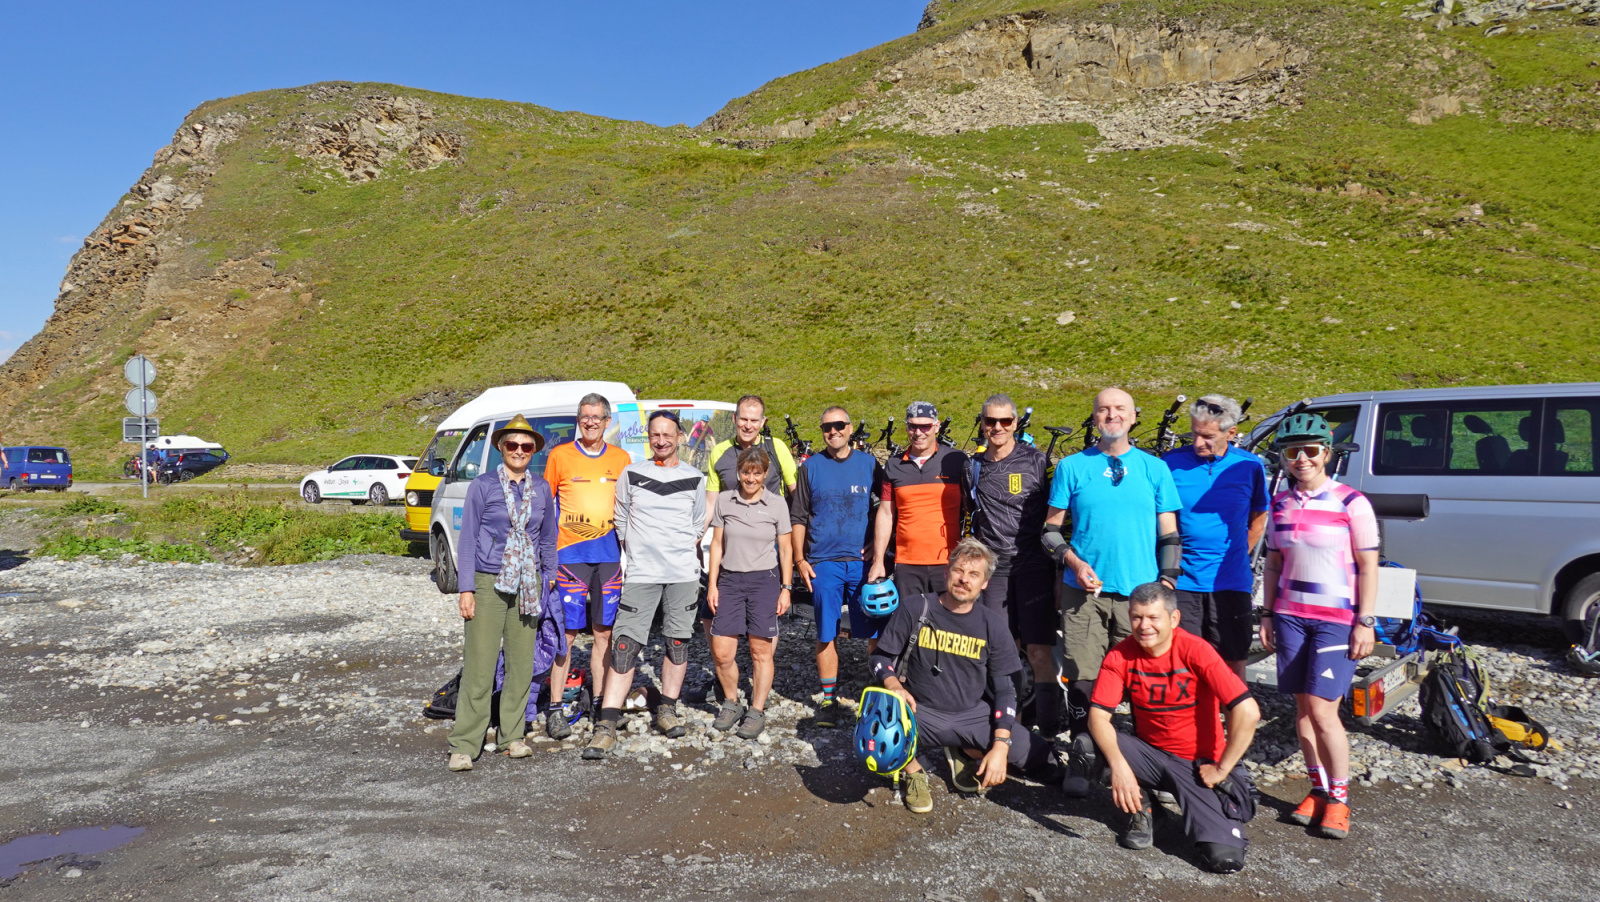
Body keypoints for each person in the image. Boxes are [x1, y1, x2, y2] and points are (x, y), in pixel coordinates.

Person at [1041, 387, 1181, 794]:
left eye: (1120, 408)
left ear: (1134, 417)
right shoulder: (1072, 467)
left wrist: (1166, 585)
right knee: (1083, 680)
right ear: (1094, 417)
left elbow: (1170, 535)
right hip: (1084, 594)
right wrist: (1074, 562)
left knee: (1142, 682)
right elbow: (1050, 532)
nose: (1111, 415)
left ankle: (1146, 763)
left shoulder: (1155, 469)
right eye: (1103, 409)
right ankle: (1084, 755)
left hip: (1140, 599)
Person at [1259, 412, 1379, 841]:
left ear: (1327, 453)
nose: (1302, 459)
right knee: (1303, 709)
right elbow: (1274, 564)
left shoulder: (1352, 502)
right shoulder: (1280, 504)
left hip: (1335, 622)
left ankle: (1340, 800)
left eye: (1311, 450)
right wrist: (1267, 614)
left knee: (1324, 710)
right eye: (1293, 452)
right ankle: (1319, 789)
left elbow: (1368, 566)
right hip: (1290, 616)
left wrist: (1365, 621)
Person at [872, 538, 1059, 813]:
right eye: (958, 570)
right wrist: (893, 686)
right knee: (875, 739)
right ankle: (914, 772)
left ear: (985, 583)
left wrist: (1001, 747)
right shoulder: (915, 607)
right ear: (947, 572)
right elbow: (880, 658)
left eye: (974, 574)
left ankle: (964, 751)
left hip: (972, 715)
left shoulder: (992, 624)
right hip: (919, 711)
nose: (964, 579)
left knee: (1044, 760)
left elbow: (1006, 690)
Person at [1086, 582, 1261, 874]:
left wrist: (1222, 768)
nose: (1144, 626)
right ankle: (1145, 809)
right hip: (1151, 756)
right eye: (1137, 617)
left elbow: (1248, 712)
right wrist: (1120, 766)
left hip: (1198, 765)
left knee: (1224, 860)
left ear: (1174, 618)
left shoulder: (1197, 650)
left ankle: (1223, 799)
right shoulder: (1120, 655)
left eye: (1153, 617)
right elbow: (1097, 717)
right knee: (1088, 747)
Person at [583, 411, 708, 759]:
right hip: (641, 573)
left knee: (677, 643)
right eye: (655, 435)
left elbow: (697, 524)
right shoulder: (632, 473)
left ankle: (666, 708)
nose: (661, 441)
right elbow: (621, 518)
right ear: (648, 438)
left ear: (680, 436)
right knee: (625, 646)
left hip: (682, 573)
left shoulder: (694, 477)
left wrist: (677, 549)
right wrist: (638, 550)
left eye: (668, 434)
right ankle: (607, 724)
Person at [448, 414, 559, 772]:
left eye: (526, 446)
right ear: (501, 447)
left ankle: (512, 736)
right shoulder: (482, 486)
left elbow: (548, 539)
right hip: (488, 580)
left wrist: (549, 578)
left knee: (521, 664)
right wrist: (466, 588)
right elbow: (467, 539)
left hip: (528, 583)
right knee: (479, 665)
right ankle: (466, 743)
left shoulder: (542, 489)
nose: (519, 450)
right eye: (512, 444)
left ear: (533, 450)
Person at [968, 393, 1059, 734]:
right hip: (996, 572)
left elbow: (1057, 517)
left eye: (1005, 421)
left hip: (1035, 567)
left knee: (1039, 653)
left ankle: (1048, 734)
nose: (998, 427)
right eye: (991, 421)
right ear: (982, 423)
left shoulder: (1037, 461)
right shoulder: (973, 466)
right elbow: (972, 517)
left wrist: (1059, 572)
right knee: (1003, 653)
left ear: (1016, 423)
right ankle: (1012, 731)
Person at [543, 392, 633, 738]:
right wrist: (546, 558)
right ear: (578, 421)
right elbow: (545, 507)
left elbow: (630, 508)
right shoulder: (560, 455)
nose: (590, 423)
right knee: (565, 635)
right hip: (570, 559)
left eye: (597, 417)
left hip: (608, 558)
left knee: (604, 633)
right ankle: (555, 708)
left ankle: (600, 704)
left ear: (607, 421)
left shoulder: (621, 458)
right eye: (585, 417)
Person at [1162, 395, 1269, 679]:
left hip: (1231, 582)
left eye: (1208, 437)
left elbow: (1259, 520)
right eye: (1194, 433)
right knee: (1183, 663)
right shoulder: (1170, 463)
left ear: (1230, 433)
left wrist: (1236, 556)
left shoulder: (1249, 466)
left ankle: (1233, 709)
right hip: (1182, 581)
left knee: (1232, 663)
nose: (1198, 443)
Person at [790, 405, 884, 727]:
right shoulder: (810, 467)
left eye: (839, 425)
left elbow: (886, 507)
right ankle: (828, 700)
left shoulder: (869, 464)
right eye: (826, 427)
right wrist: (800, 559)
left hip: (862, 562)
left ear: (850, 428)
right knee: (826, 631)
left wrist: (880, 548)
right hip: (823, 562)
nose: (833, 431)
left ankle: (878, 694)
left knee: (874, 629)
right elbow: (798, 516)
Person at [706, 447, 795, 740]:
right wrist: (712, 584)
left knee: (760, 651)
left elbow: (786, 549)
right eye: (746, 472)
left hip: (764, 581)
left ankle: (756, 710)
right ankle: (731, 702)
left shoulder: (777, 504)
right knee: (722, 652)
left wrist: (786, 588)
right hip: (730, 580)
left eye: (757, 473)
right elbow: (717, 544)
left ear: (765, 474)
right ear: (739, 472)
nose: (751, 478)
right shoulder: (724, 500)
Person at [869, 401, 968, 596]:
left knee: (949, 616)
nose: (918, 432)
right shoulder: (894, 465)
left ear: (937, 427)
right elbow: (886, 514)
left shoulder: (956, 460)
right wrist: (878, 561)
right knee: (910, 617)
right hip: (907, 565)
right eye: (912, 426)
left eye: (925, 426)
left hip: (950, 562)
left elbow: (971, 510)